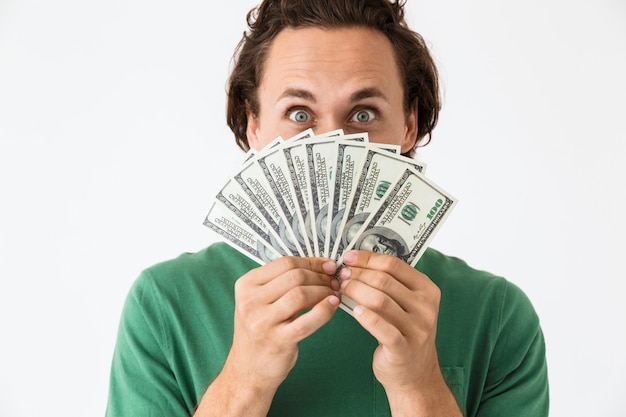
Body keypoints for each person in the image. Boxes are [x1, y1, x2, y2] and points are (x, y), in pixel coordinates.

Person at [105, 1, 549, 416]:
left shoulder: (497, 315)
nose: (328, 143)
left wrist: (419, 386)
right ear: (254, 124)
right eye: (299, 114)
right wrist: (245, 380)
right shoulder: (164, 305)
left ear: (409, 125)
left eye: (363, 114)